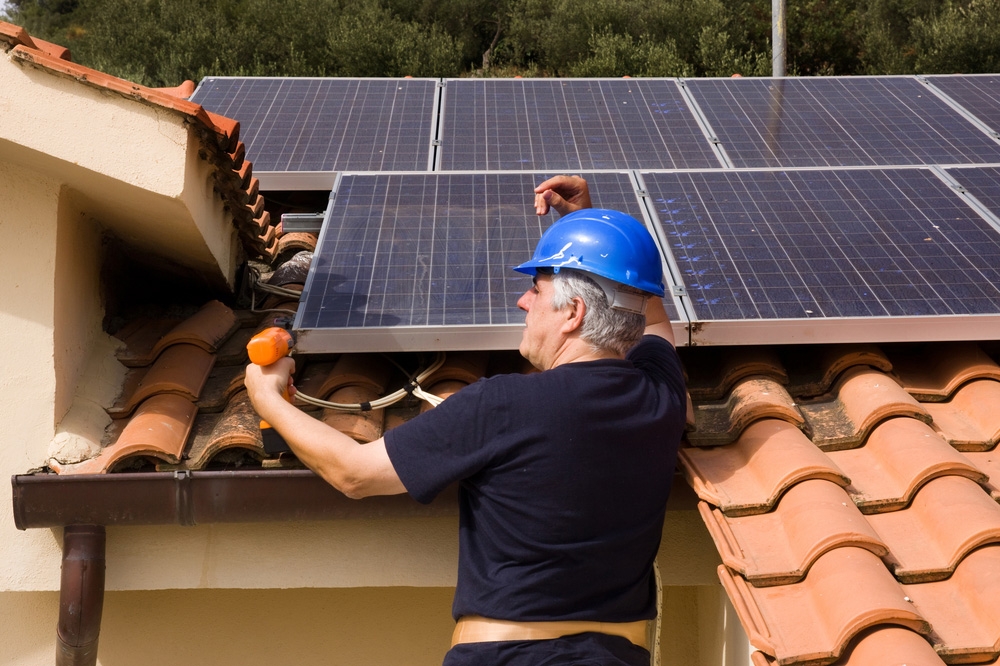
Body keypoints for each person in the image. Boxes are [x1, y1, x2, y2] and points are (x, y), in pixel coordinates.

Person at [244, 175, 687, 666]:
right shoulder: (662, 397)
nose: (523, 301)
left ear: (573, 313)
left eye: (535, 289)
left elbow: (354, 472)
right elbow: (651, 318)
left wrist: (268, 399)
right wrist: (589, 229)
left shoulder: (504, 404)